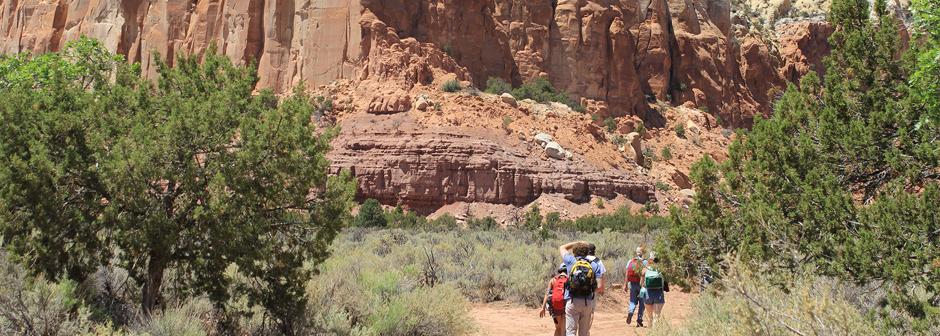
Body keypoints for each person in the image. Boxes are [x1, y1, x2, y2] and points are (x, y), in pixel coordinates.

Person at [559, 241, 605, 336]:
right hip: (587, 301)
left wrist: (577, 242)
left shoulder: (570, 261)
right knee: (583, 333)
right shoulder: (594, 264)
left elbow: (562, 247)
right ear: (587, 252)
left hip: (572, 300)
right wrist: (588, 289)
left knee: (570, 332)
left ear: (574, 252)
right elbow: (600, 287)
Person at [539, 264, 569, 336]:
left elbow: (547, 294)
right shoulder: (569, 279)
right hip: (565, 307)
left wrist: (543, 308)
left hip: (555, 308)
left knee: (557, 328)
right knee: (563, 329)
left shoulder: (553, 280)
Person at [641, 251, 668, 326]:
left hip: (648, 294)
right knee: (656, 316)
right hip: (658, 293)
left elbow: (642, 284)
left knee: (650, 318)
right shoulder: (661, 269)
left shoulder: (645, 269)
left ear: (650, 259)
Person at [623, 246, 647, 327]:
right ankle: (639, 320)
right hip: (642, 286)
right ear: (643, 253)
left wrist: (625, 285)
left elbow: (627, 273)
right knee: (642, 303)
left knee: (632, 301)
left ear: (636, 252)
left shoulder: (631, 261)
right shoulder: (645, 262)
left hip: (632, 284)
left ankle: (630, 312)